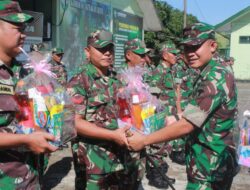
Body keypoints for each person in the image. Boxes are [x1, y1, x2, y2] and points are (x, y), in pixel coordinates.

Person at [127, 22, 239, 190]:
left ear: (213, 45)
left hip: (209, 166)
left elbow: (188, 125)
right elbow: (195, 115)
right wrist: (168, 119)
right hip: (207, 161)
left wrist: (144, 140)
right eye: (186, 48)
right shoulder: (211, 71)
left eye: (195, 47)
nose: (190, 53)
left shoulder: (214, 77)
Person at [67, 30, 140, 189]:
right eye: (101, 49)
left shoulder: (118, 78)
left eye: (110, 49)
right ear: (88, 52)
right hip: (95, 162)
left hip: (122, 158)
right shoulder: (79, 81)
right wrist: (112, 135)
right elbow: (74, 122)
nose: (107, 53)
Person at [0, 1, 57, 189]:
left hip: (31, 178)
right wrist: (25, 139)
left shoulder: (25, 73)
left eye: (25, 28)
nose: (24, 34)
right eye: (17, 28)